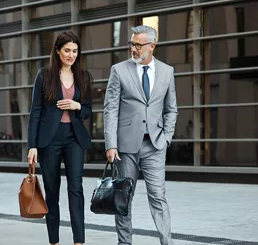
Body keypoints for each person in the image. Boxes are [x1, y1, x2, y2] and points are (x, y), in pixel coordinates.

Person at [104, 25, 178, 245]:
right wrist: (111, 144)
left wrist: (166, 138)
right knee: (124, 198)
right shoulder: (119, 70)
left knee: (158, 197)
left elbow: (171, 109)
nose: (133, 49)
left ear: (152, 46)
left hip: (155, 145)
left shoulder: (167, 72)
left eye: (138, 45)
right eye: (131, 44)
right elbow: (110, 109)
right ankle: (124, 243)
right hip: (125, 148)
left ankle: (167, 242)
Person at [27, 31, 92, 245]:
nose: (71, 55)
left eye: (74, 51)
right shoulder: (44, 75)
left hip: (74, 138)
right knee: (52, 192)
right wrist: (32, 145)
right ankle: (53, 241)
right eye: (67, 50)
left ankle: (79, 241)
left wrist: (77, 105)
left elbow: (88, 110)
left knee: (76, 189)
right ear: (57, 51)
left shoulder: (84, 76)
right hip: (49, 140)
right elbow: (35, 111)